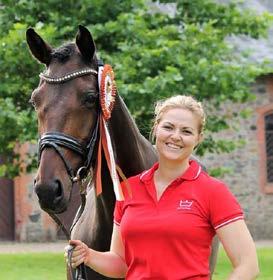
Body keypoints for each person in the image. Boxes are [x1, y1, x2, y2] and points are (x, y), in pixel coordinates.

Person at [65, 95, 259, 279]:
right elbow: (122, 263)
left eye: (186, 131)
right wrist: (88, 255)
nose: (175, 136)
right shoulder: (128, 190)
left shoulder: (213, 191)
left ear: (198, 138)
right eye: (168, 127)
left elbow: (248, 264)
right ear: (156, 128)